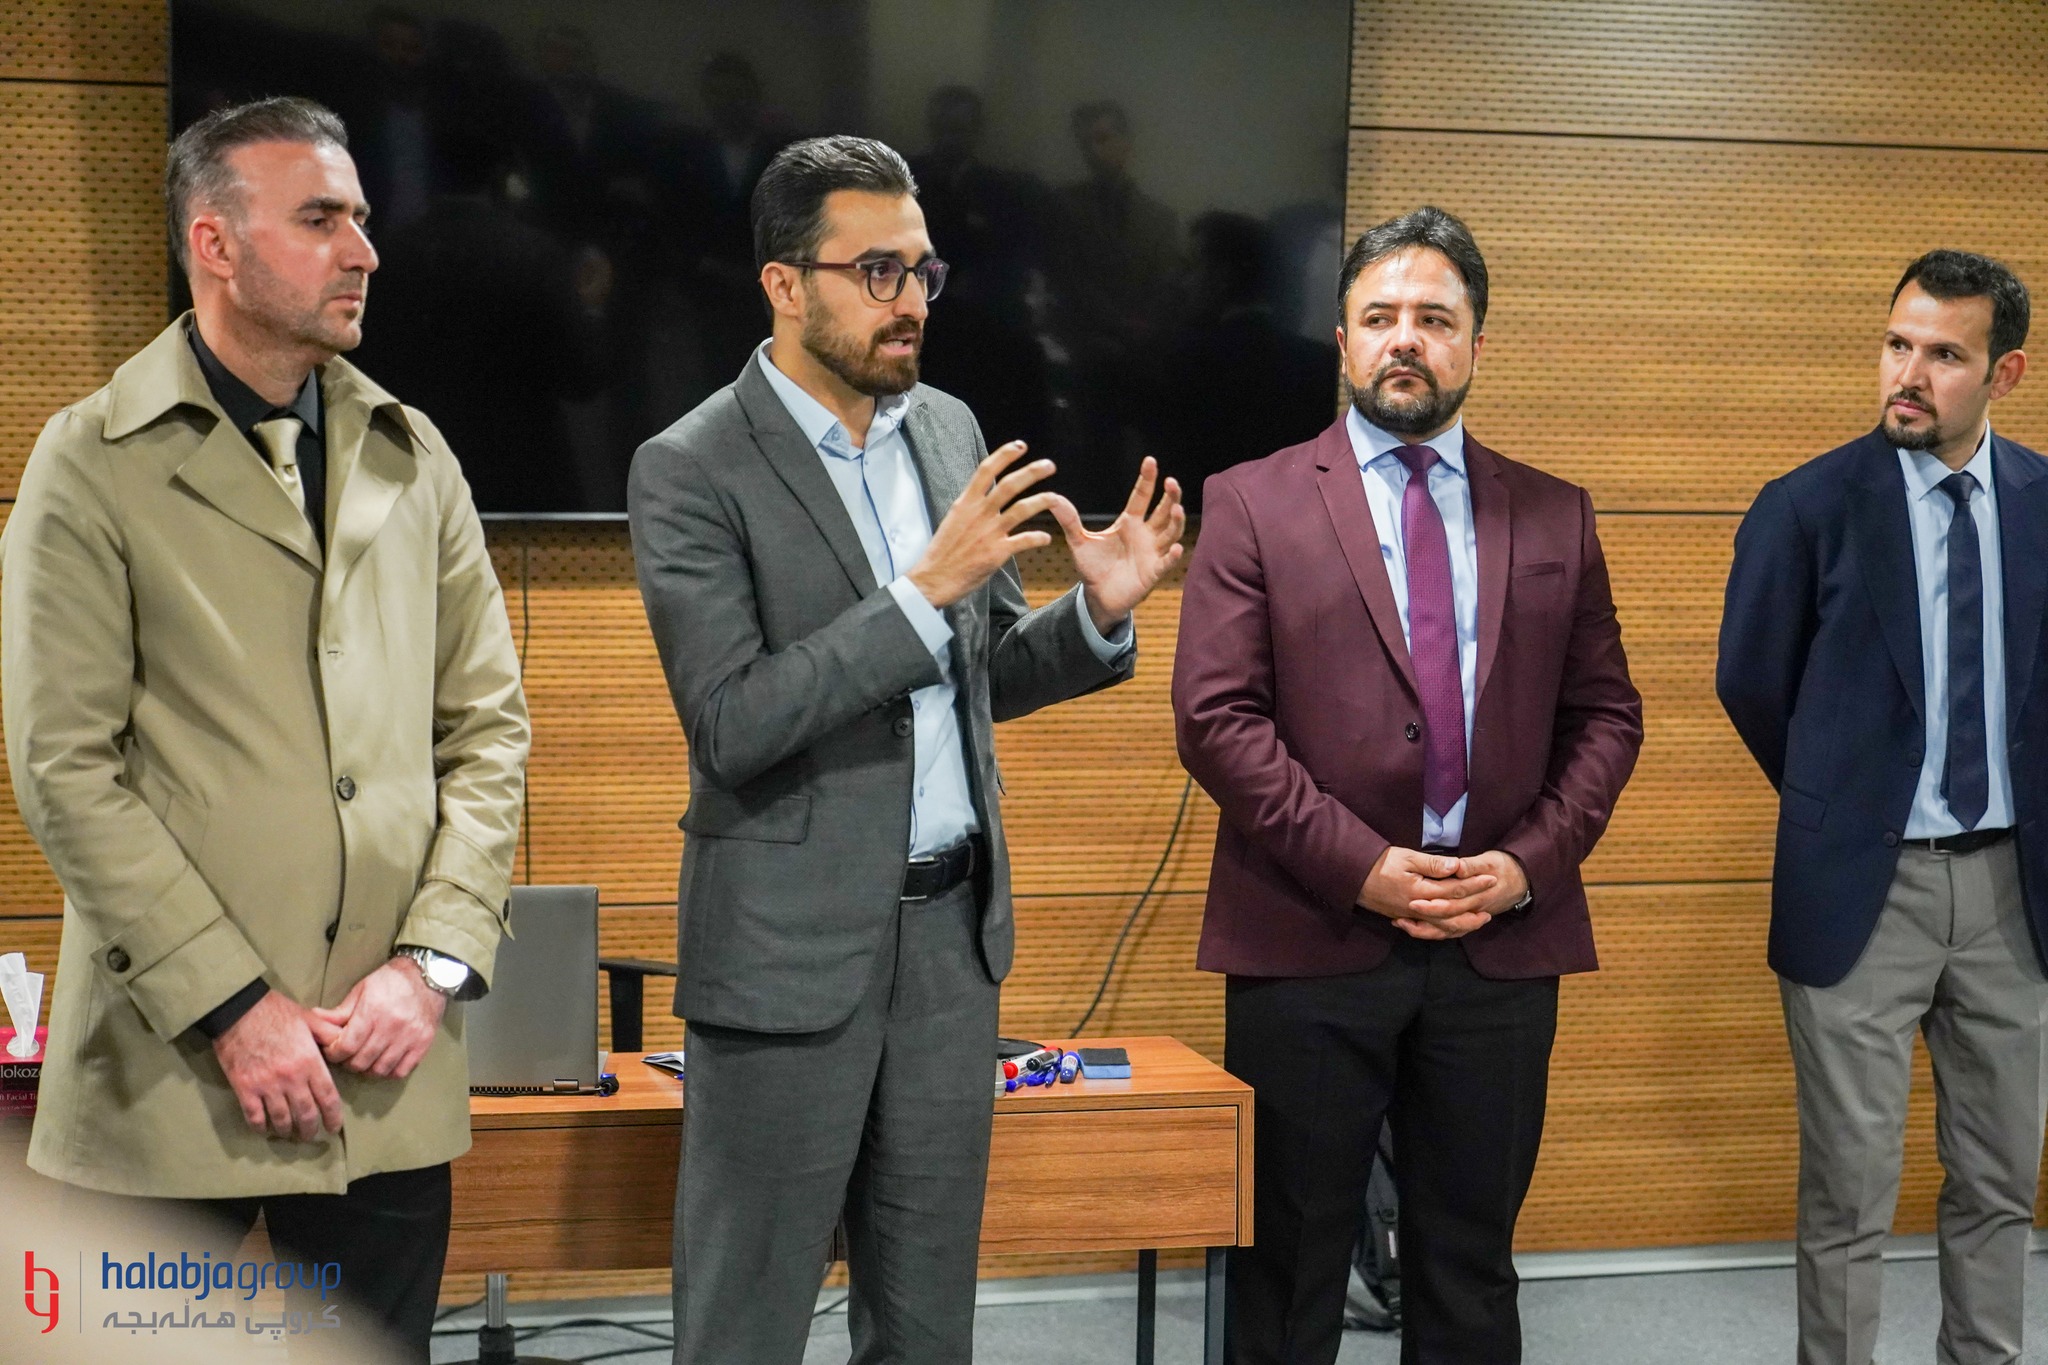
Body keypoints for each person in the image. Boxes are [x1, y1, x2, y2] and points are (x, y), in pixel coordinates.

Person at [627, 134, 1184, 1364]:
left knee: (927, 1326)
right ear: (783, 284)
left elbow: (982, 670)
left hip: (948, 950)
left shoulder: (945, 429)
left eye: (923, 272)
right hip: (784, 956)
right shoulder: (689, 466)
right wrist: (921, 593)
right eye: (876, 271)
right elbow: (732, 724)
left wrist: (1095, 616)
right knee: (744, 1325)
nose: (912, 302)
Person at [1, 97, 529, 1363]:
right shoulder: (90, 459)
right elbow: (66, 769)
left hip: (382, 1064)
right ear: (216, 244)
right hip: (169, 1075)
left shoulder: (416, 454)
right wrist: (234, 1008)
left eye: (360, 217)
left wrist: (431, 965)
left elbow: (487, 732)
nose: (365, 251)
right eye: (322, 219)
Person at [1172, 205, 1642, 1365]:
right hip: (1307, 936)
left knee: (1468, 1269)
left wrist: (1525, 865)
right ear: (1339, 340)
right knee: (1286, 1271)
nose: (1405, 340)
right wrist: (1363, 868)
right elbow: (1216, 720)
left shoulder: (1554, 512)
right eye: (1379, 316)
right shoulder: (1251, 500)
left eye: (1433, 318)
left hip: (1496, 946)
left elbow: (1605, 715)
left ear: (1476, 343)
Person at [1718, 250, 2041, 1365]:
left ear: (2002, 374)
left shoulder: (2043, 503)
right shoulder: (1805, 507)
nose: (1908, 373)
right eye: (1897, 343)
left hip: (2012, 893)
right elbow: (1752, 684)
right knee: (1849, 1192)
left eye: (1943, 354)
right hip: (1865, 888)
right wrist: (1843, 803)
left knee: (1998, 1181)